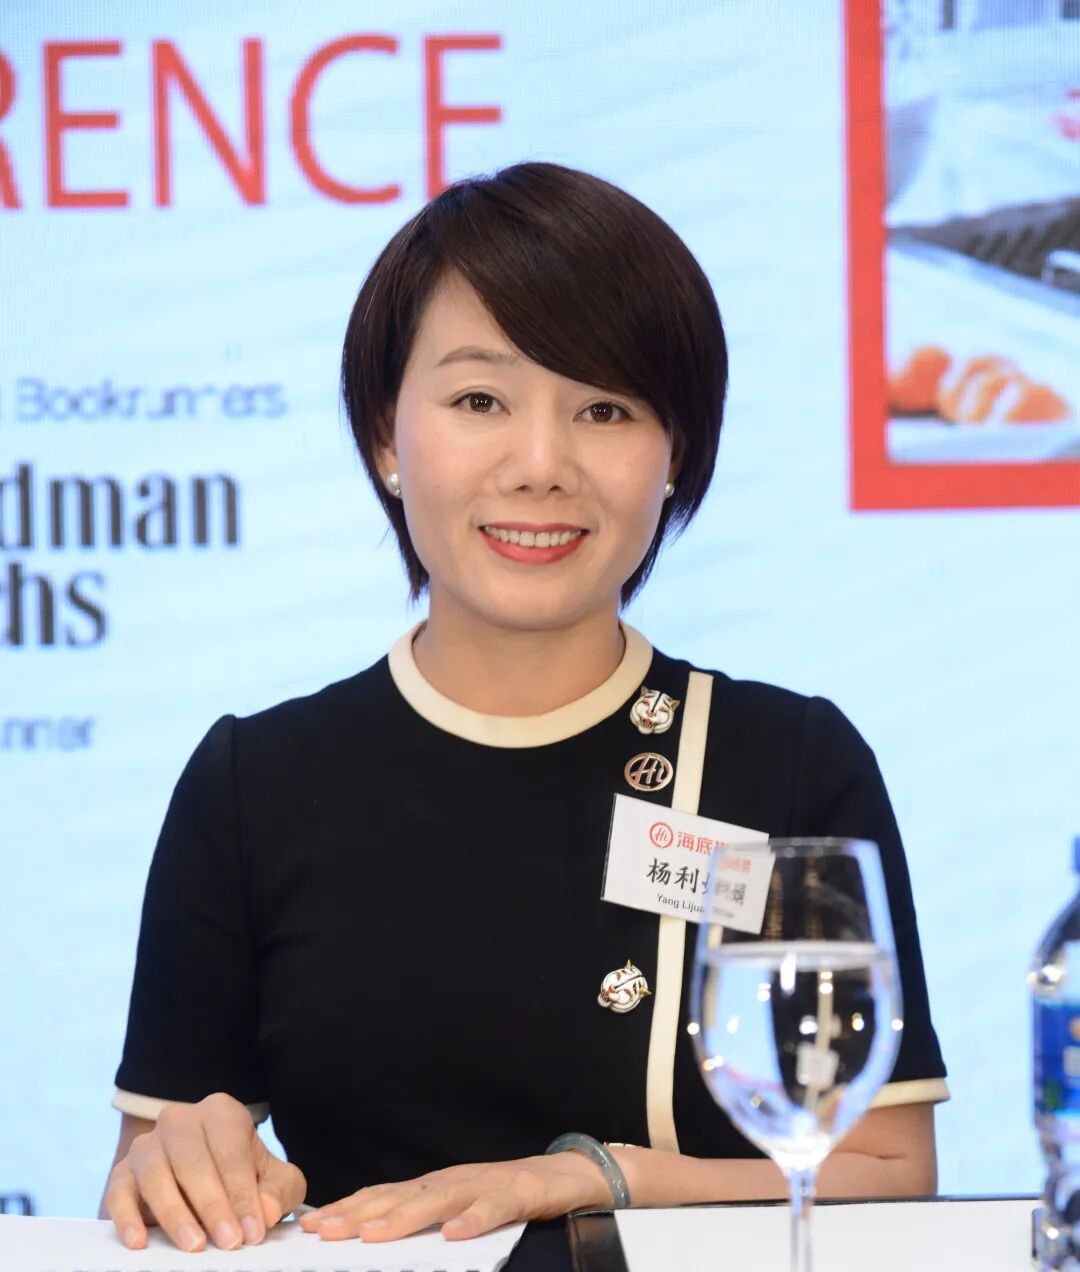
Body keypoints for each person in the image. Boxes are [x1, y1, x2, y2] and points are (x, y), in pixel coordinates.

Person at [100, 161, 948, 1254]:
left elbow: (889, 1171)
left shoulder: (786, 761)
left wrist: (591, 1179)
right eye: (479, 401)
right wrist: (180, 1165)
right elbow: (155, 1192)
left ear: (676, 451)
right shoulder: (253, 784)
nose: (541, 465)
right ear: (385, 437)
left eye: (605, 408)